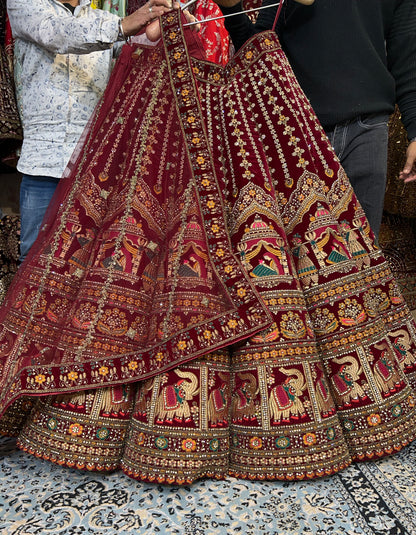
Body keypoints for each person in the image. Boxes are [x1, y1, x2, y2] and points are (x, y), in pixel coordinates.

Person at [0, 8, 415, 485]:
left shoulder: (228, 25)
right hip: (124, 135)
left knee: (319, 258)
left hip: (272, 120)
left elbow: (255, 32)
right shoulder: (108, 14)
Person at [216, 0, 416, 240]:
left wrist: (415, 131)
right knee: (303, 257)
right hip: (298, 131)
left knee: (365, 256)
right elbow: (257, 55)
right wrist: (231, 8)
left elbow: (407, 57)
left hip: (366, 131)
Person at [7, 0, 174, 261]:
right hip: (43, 164)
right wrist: (123, 25)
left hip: (92, 167)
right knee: (33, 256)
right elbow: (58, 33)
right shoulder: (24, 4)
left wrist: (157, 29)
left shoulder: (102, 18)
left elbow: (134, 53)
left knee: (82, 261)